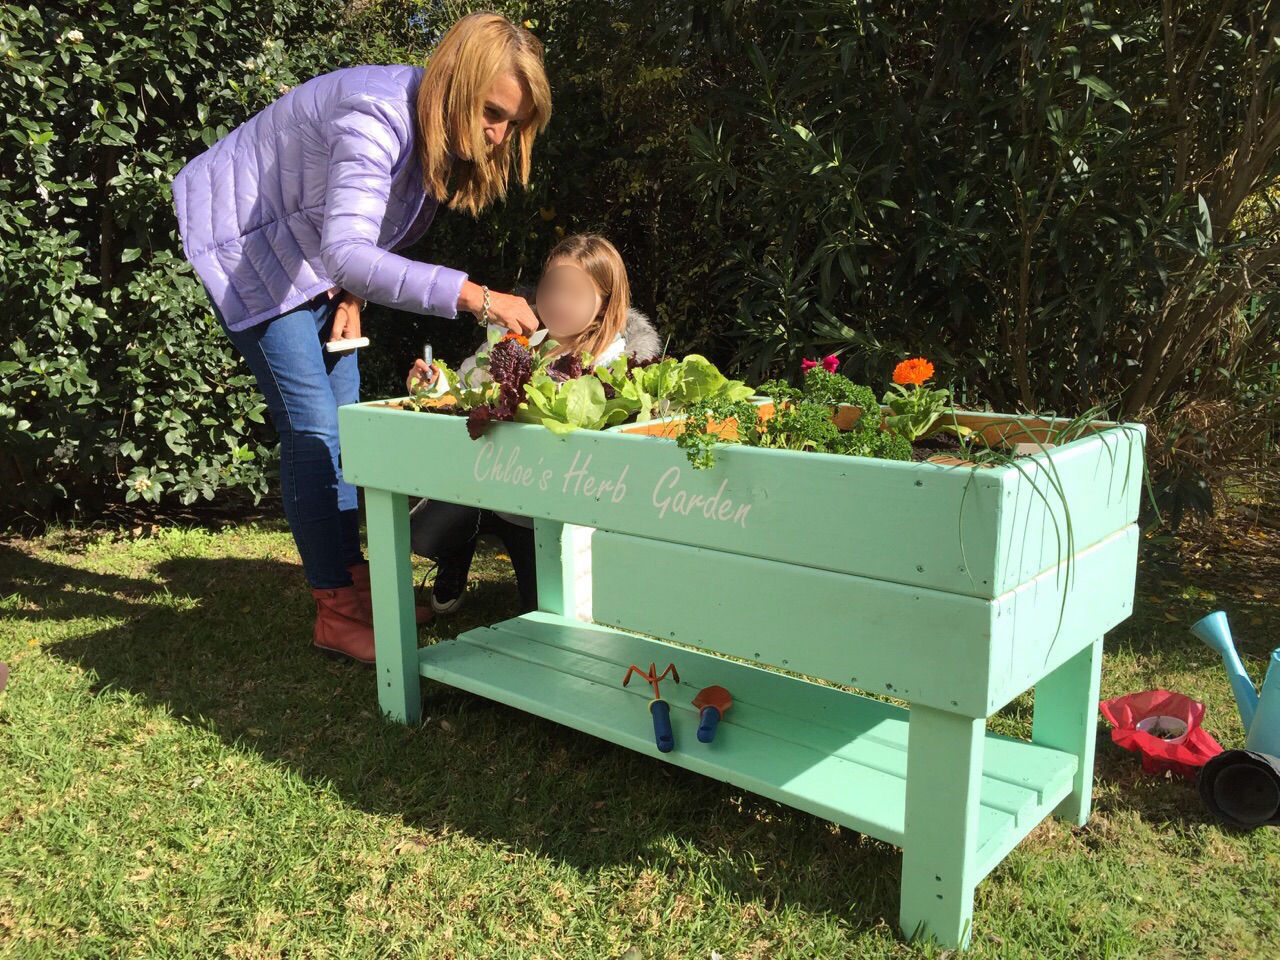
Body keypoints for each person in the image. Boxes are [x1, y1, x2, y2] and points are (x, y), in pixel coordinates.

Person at [170, 13, 552, 664]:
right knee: (314, 432)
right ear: (455, 85)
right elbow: (348, 248)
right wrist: (476, 297)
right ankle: (336, 613)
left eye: (512, 123)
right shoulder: (375, 118)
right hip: (251, 248)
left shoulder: (432, 134)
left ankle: (356, 586)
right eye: (492, 112)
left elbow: (363, 231)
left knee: (348, 431)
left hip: (316, 260)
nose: (498, 135)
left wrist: (348, 293)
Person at [402, 234, 661, 614]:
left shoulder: (615, 361)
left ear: (605, 301)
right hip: (486, 487)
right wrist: (433, 385)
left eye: (574, 292)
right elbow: (463, 388)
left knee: (542, 608)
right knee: (423, 536)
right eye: (552, 288)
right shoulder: (513, 336)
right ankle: (457, 554)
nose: (558, 302)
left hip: (547, 509)